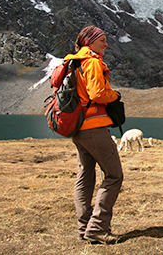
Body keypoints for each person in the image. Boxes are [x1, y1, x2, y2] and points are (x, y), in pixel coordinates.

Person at [64, 25, 123, 244]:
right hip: (93, 126)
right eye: (102, 40)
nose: (106, 44)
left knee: (84, 177)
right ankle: (98, 228)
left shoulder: (73, 61)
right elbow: (97, 93)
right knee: (114, 175)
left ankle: (84, 227)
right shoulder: (93, 62)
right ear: (89, 42)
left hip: (78, 128)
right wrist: (114, 95)